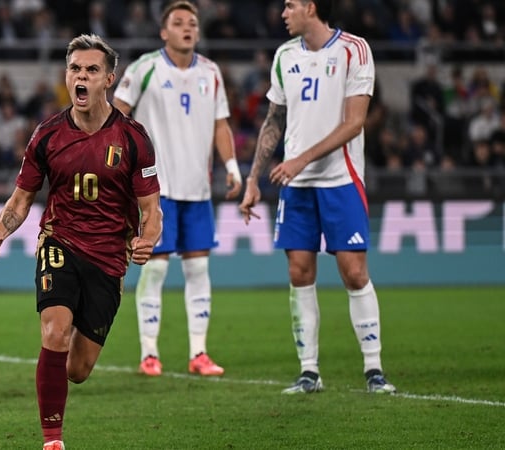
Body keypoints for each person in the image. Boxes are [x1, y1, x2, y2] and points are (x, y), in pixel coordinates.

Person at [0, 34, 162, 450]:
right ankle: (52, 440)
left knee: (77, 369)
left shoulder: (133, 138)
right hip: (59, 241)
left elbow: (152, 210)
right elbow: (21, 199)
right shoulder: (46, 136)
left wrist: (147, 240)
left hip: (110, 257)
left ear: (108, 79)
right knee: (55, 331)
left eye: (91, 70)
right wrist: (0, 232)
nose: (81, 76)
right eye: (75, 68)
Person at [238, 0, 396, 395]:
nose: (282, 12)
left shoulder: (354, 49)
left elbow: (355, 122)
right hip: (296, 186)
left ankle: (374, 370)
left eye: (290, 5)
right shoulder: (284, 55)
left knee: (354, 272)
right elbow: (274, 120)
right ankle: (309, 371)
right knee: (299, 273)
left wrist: (300, 160)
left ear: (310, 6)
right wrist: (253, 178)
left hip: (340, 179)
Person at [112, 0, 242, 377]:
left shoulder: (211, 72)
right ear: (163, 31)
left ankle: (199, 353)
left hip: (197, 190)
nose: (187, 28)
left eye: (192, 23)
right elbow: (115, 116)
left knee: (199, 269)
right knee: (154, 272)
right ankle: (149, 353)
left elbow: (221, 125)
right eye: (179, 22)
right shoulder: (145, 69)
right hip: (157, 191)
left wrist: (232, 166)